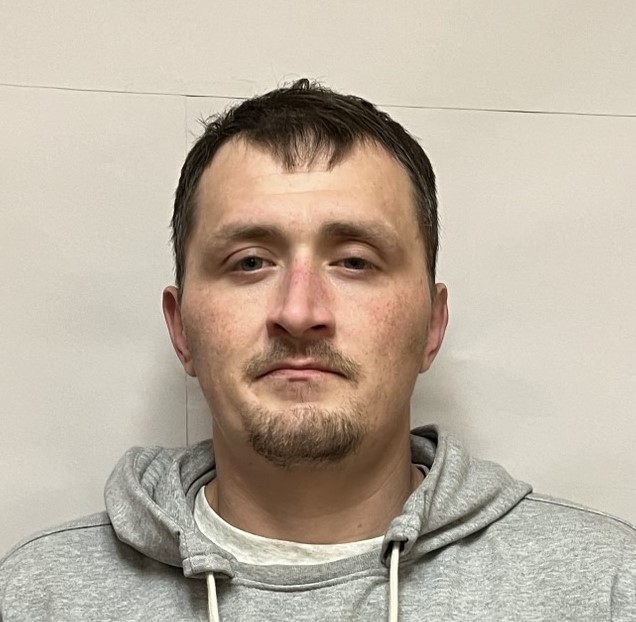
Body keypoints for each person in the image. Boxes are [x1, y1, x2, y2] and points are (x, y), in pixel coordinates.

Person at [1, 79, 634, 622]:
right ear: (181, 329)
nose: (300, 313)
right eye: (250, 262)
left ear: (432, 326)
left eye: (355, 261)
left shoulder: (605, 590)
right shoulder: (37, 597)